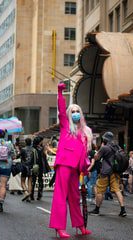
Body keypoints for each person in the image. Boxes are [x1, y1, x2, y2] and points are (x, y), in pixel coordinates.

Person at [49, 82, 93, 238]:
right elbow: (61, 109)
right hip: (64, 165)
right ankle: (59, 227)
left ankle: (80, 225)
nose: (75, 113)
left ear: (81, 114)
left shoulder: (84, 132)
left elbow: (84, 155)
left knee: (75, 197)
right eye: (72, 111)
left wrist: (85, 169)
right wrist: (60, 92)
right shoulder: (65, 125)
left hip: (75, 168)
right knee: (60, 195)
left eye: (77, 111)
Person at [89, 132, 127, 217]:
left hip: (105, 173)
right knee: (117, 190)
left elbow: (96, 157)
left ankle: (97, 209)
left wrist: (101, 148)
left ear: (105, 139)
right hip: (114, 172)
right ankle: (123, 209)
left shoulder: (105, 148)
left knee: (100, 191)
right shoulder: (117, 147)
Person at [31, 136, 50, 201]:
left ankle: (31, 195)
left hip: (34, 166)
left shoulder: (32, 149)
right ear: (39, 142)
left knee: (33, 180)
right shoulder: (41, 149)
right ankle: (39, 194)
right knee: (40, 180)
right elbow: (44, 158)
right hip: (40, 166)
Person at [20, 138, 35, 202]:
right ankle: (29, 195)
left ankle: (26, 193)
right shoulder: (34, 150)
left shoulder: (23, 149)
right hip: (31, 167)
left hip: (24, 167)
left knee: (22, 181)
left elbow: (18, 156)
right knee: (30, 182)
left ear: (25, 143)